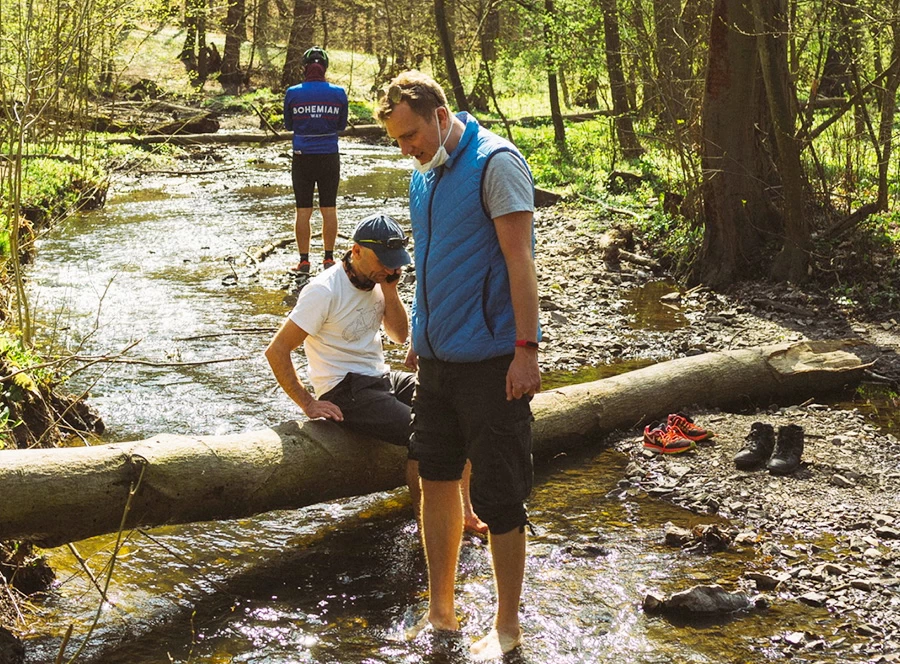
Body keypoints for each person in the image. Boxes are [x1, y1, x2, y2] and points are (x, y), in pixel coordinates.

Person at [375, 72, 541, 659]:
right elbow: (430, 261)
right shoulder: (424, 174)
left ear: (441, 115)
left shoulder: (497, 163)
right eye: (398, 140)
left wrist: (527, 350)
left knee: (499, 499)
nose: (407, 148)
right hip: (438, 363)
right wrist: (420, 332)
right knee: (437, 478)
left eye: (412, 135)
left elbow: (520, 262)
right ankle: (441, 613)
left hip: (495, 362)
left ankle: (506, 627)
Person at [265, 213, 486, 532]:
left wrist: (390, 291)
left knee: (455, 405)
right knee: (422, 435)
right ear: (355, 251)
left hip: (381, 378)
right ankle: (429, 526)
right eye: (385, 261)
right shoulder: (323, 291)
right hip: (345, 389)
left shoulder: (383, 281)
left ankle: (464, 512)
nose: (392, 269)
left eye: (396, 262)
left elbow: (398, 335)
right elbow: (277, 351)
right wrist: (308, 403)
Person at [283, 46, 348, 273]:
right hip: (329, 155)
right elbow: (341, 125)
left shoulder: (293, 92)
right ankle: (328, 259)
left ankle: (304, 261)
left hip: (302, 157)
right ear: (325, 68)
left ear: (305, 68)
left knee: (303, 211)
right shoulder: (339, 93)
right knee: (329, 209)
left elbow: (288, 124)